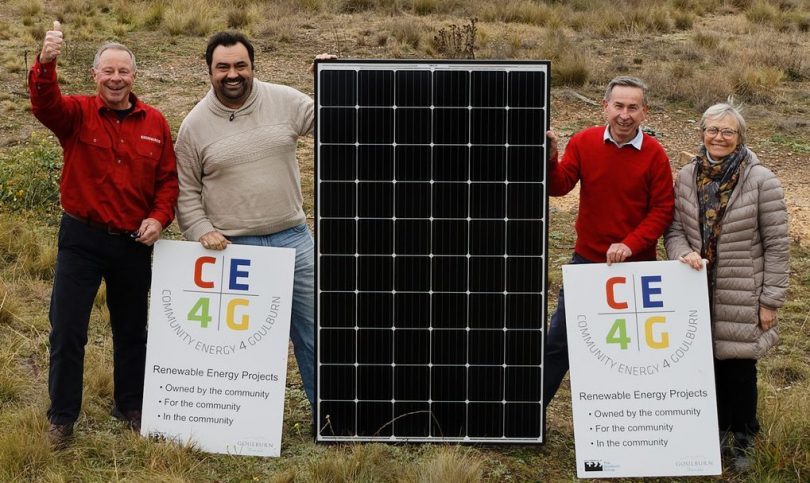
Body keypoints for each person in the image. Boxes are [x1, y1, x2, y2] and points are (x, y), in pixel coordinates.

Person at [29, 21, 178, 449]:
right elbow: (44, 104)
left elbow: (167, 180)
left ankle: (130, 405)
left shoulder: (155, 122)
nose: (116, 78)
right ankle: (62, 416)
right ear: (95, 75)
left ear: (134, 76)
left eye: (124, 71)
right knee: (68, 329)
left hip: (133, 242)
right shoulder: (75, 114)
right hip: (81, 239)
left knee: (132, 329)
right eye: (108, 71)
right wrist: (46, 62)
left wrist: (159, 217)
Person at [175, 31, 330, 419]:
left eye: (240, 65)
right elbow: (185, 191)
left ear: (252, 67)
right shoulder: (194, 126)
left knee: (314, 332)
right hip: (232, 248)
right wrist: (200, 229)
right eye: (222, 67)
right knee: (239, 343)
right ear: (209, 71)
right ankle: (236, 422)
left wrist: (333, 80)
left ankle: (330, 415)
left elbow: (337, 121)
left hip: (293, 239)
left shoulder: (285, 100)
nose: (232, 74)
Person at [665, 100, 789, 471]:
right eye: (712, 130)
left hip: (742, 290)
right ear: (702, 133)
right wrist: (683, 253)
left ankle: (745, 439)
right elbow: (673, 230)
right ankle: (713, 434)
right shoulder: (687, 176)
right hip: (696, 289)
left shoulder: (761, 180)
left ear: (740, 137)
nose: (718, 137)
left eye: (727, 131)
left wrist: (770, 300)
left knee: (739, 367)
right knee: (706, 365)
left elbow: (778, 244)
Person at [543, 76, 674, 407]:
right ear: (605, 107)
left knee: (632, 349)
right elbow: (559, 186)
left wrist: (630, 243)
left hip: (637, 269)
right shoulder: (584, 142)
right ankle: (528, 416)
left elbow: (662, 209)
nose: (625, 115)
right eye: (618, 106)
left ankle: (630, 421)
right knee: (560, 341)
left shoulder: (655, 154)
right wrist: (550, 159)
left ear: (644, 112)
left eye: (633, 107)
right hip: (588, 262)